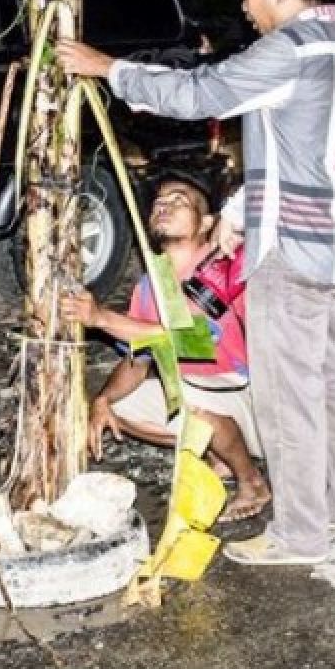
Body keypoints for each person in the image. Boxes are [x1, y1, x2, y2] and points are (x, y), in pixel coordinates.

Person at [58, 0, 335, 565]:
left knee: (289, 400)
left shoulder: (289, 49)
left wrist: (108, 69)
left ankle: (301, 535)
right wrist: (235, 210)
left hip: (297, 256)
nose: (245, 6)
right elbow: (298, 154)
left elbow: (202, 92)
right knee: (333, 386)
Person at [60, 170, 271, 522]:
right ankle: (219, 454)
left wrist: (102, 318)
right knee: (119, 407)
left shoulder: (222, 265)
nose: (164, 206)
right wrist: (102, 400)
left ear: (206, 223)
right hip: (205, 398)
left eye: (179, 201)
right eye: (160, 202)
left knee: (191, 398)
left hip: (254, 398)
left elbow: (191, 342)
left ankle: (252, 482)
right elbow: (138, 359)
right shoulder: (151, 283)